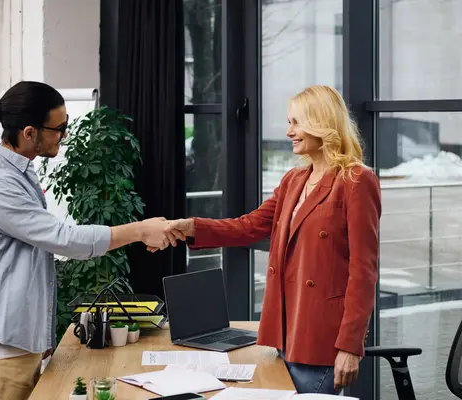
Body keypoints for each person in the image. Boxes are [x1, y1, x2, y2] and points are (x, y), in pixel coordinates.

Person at [0, 81, 185, 400]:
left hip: (19, 348)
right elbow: (63, 239)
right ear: (29, 132)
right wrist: (140, 230)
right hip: (0, 356)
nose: (64, 135)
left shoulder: (21, 172)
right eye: (59, 128)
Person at [158, 85, 381, 394]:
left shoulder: (356, 180)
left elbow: (363, 271)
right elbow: (248, 227)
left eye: (296, 122)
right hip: (286, 334)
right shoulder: (294, 180)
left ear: (322, 122)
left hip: (323, 339)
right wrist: (192, 227)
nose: (289, 131)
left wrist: (350, 345)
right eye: (289, 122)